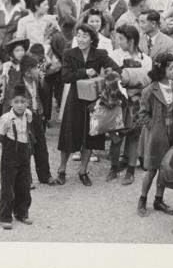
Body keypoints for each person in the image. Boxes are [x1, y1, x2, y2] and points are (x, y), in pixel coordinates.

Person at [56, 24, 120, 186]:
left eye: (85, 36)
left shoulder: (100, 54)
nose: (81, 39)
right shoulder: (69, 54)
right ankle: (62, 169)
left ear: (92, 38)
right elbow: (65, 76)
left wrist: (108, 77)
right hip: (74, 100)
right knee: (69, 136)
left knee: (90, 136)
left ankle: (83, 171)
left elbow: (115, 68)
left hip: (93, 101)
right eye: (78, 35)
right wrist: (85, 72)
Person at [136, 52, 173, 217]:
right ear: (161, 69)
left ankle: (158, 200)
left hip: (172, 134)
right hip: (156, 137)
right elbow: (142, 114)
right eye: (171, 67)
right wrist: (154, 127)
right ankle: (142, 199)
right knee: (152, 169)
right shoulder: (149, 90)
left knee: (164, 169)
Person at [108, 24, 152, 185]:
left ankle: (131, 170)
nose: (118, 42)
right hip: (118, 102)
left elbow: (148, 83)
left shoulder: (146, 60)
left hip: (136, 104)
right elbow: (110, 79)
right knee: (115, 137)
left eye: (121, 39)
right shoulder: (114, 55)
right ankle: (113, 168)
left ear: (131, 41)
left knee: (134, 136)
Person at [18, 55, 59, 187]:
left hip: (38, 117)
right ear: (27, 73)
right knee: (26, 149)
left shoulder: (38, 81)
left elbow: (46, 95)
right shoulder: (19, 85)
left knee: (42, 147)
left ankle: (45, 176)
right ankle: (26, 179)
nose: (38, 70)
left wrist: (42, 82)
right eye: (35, 68)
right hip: (25, 119)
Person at [0, 85, 34, 229]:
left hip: (24, 152)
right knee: (8, 186)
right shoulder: (6, 118)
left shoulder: (28, 115)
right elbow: (0, 137)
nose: (20, 105)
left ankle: (22, 212)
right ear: (11, 103)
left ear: (27, 103)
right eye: (16, 102)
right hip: (10, 153)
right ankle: (5, 216)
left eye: (23, 102)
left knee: (24, 185)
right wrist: (9, 149)